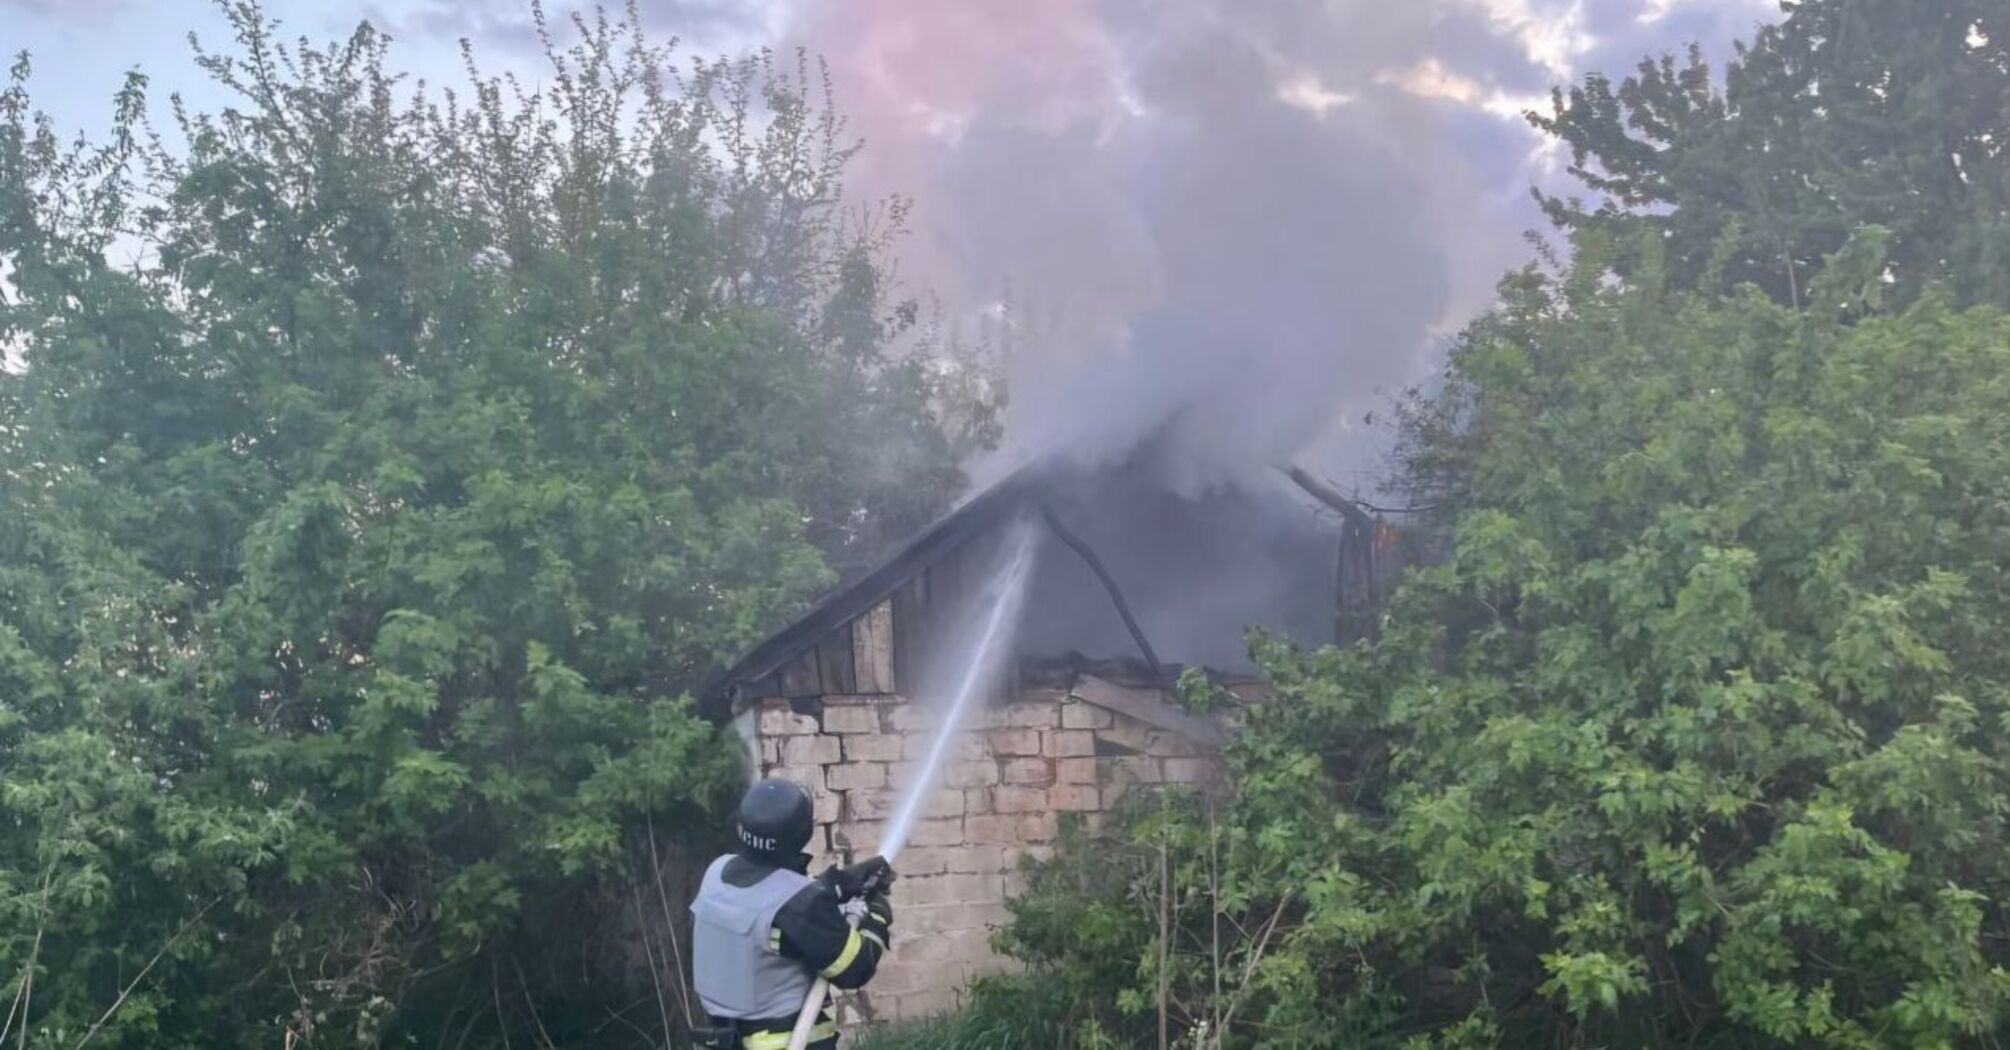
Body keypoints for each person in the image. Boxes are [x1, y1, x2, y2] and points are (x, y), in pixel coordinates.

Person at [691, 778, 895, 1050]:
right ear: (802, 833)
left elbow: (770, 900)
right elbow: (856, 969)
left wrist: (841, 882)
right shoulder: (798, 905)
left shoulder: (717, 873)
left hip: (720, 1041)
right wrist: (877, 910)